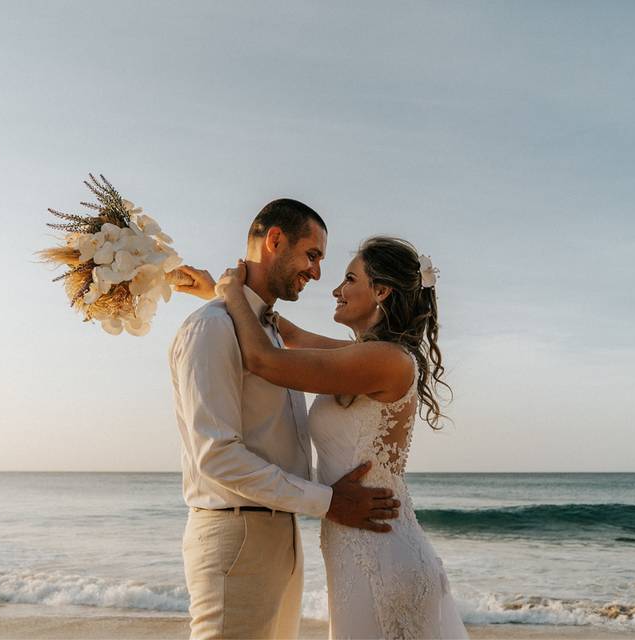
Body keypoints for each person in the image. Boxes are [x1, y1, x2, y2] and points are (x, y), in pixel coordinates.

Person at [212, 236, 468, 639]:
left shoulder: (383, 360)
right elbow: (292, 335)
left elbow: (265, 360)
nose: (335, 289)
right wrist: (222, 291)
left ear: (381, 291)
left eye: (349, 278)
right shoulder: (368, 356)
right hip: (359, 547)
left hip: (380, 553)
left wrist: (231, 293)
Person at [169, 200, 401, 640]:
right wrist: (329, 502)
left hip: (281, 530)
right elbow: (216, 457)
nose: (317, 274)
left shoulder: (268, 334)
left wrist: (227, 293)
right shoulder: (214, 328)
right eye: (312, 255)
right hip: (238, 534)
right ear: (275, 240)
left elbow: (273, 344)